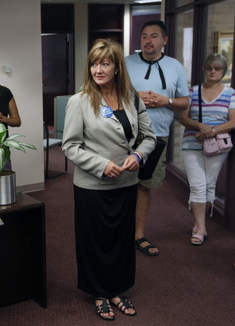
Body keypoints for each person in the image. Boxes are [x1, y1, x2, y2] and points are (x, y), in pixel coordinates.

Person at [62, 39, 156, 321]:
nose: (98, 69)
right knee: (96, 240)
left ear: (117, 67)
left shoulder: (132, 96)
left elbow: (149, 137)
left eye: (105, 63)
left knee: (119, 240)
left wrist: (138, 156)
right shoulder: (78, 102)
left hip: (126, 183)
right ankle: (100, 293)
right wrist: (102, 165)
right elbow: (70, 146)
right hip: (93, 185)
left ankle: (116, 289)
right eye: (94, 63)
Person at [125, 20, 189, 256]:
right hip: (123, 134)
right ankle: (119, 232)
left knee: (145, 185)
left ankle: (138, 235)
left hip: (157, 135)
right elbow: (108, 92)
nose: (148, 41)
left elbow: (184, 101)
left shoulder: (175, 67)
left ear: (165, 40)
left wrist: (166, 101)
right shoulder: (126, 62)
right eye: (144, 36)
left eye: (153, 36)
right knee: (119, 182)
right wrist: (134, 96)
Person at [179, 54, 235, 246]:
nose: (213, 71)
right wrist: (199, 126)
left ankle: (199, 223)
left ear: (223, 71)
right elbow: (183, 118)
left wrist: (210, 130)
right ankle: (202, 228)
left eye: (217, 68)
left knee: (209, 186)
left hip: (218, 145)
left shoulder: (230, 93)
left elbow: (233, 121)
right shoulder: (192, 91)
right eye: (210, 67)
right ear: (204, 69)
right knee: (197, 185)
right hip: (191, 144)